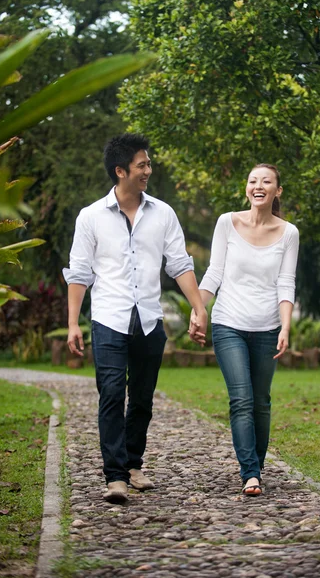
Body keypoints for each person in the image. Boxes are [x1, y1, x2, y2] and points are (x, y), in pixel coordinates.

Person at [63, 133, 207, 504]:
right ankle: (115, 475)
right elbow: (79, 273)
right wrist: (73, 323)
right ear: (120, 170)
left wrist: (199, 307)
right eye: (142, 164)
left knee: (141, 398)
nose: (149, 170)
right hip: (108, 319)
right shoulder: (91, 217)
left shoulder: (163, 214)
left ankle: (133, 463)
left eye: (148, 163)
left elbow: (179, 264)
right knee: (111, 393)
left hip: (148, 320)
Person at [190, 163, 299, 496]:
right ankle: (250, 473)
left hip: (267, 327)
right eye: (253, 181)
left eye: (266, 181)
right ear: (247, 188)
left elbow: (286, 282)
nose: (259, 185)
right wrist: (199, 309)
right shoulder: (227, 222)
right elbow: (215, 272)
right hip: (228, 324)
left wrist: (285, 326)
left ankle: (257, 464)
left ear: (277, 191)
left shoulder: (289, 232)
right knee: (241, 399)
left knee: (261, 402)